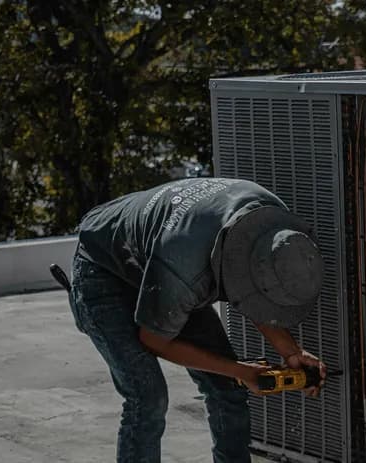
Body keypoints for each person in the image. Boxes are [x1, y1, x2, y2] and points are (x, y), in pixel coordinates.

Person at [66, 177, 326, 463]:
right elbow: (155, 341)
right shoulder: (186, 270)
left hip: (163, 258)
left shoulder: (273, 222)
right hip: (102, 269)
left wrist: (291, 352)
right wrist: (240, 370)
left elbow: (255, 293)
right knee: (148, 397)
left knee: (227, 390)